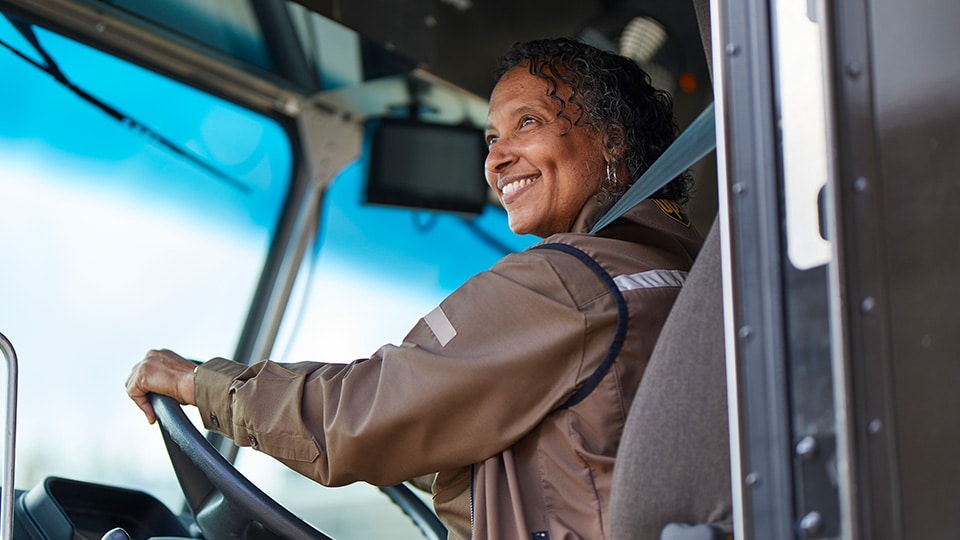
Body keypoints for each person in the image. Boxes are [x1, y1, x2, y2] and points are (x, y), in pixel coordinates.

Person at [127, 37, 703, 539]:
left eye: (528, 122)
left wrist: (196, 383)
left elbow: (359, 414)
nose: (497, 158)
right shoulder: (688, 274)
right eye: (491, 137)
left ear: (613, 142)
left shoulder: (571, 282)